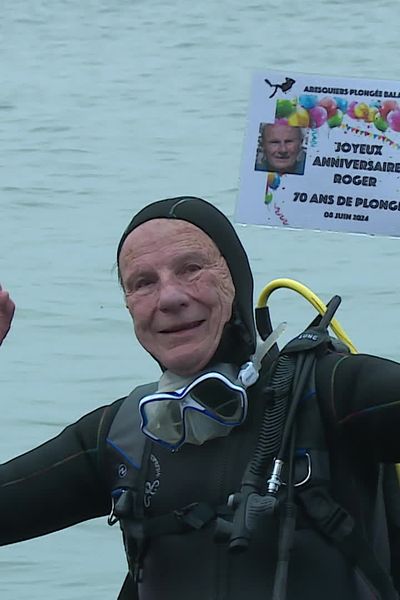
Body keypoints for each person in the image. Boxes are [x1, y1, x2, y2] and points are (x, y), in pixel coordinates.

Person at [1, 195, 400, 600]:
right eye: (143, 283)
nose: (169, 297)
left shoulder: (331, 391)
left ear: (236, 280)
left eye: (191, 269)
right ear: (128, 305)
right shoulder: (122, 437)